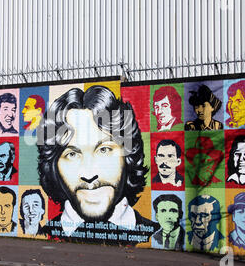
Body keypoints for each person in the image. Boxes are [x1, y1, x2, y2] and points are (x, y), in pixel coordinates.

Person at [37, 86, 159, 245]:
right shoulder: (42, 235)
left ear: (128, 157)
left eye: (104, 150)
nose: (89, 173)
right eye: (72, 154)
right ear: (53, 167)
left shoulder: (156, 235)